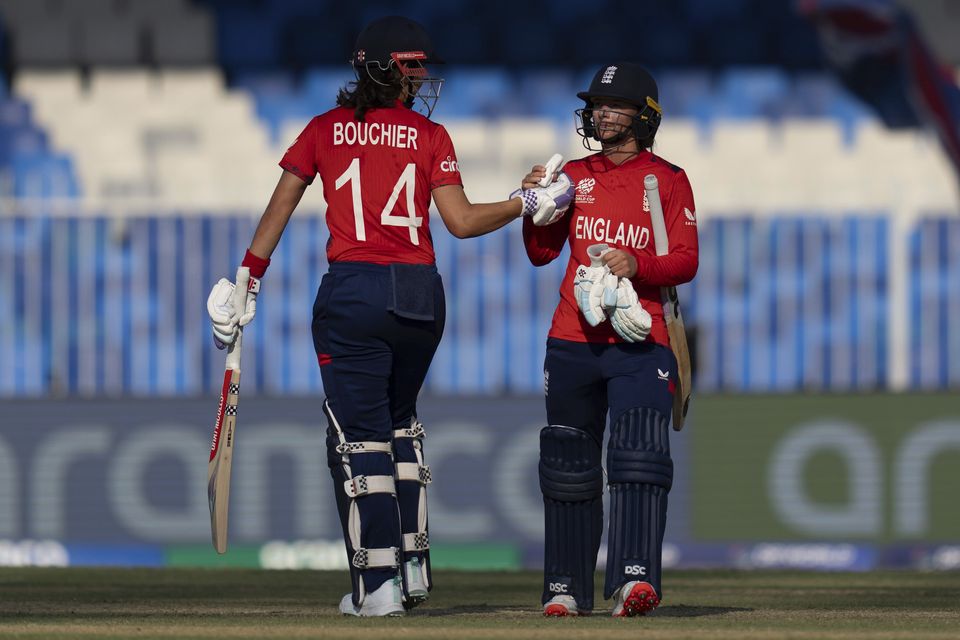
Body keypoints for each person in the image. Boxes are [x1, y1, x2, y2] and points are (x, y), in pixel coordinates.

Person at [206, 16, 573, 618]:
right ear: (382, 69)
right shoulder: (430, 136)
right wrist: (525, 202)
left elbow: (281, 205)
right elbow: (460, 223)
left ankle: (378, 586)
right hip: (422, 295)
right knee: (399, 422)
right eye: (410, 71)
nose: (417, 82)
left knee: (359, 437)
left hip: (354, 289)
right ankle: (411, 565)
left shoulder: (323, 130)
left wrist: (248, 279)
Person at [520, 62, 699, 617]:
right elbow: (541, 252)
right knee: (569, 464)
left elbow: (686, 261)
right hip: (572, 339)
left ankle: (633, 582)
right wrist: (534, 208)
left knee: (638, 457)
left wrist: (636, 262)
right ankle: (564, 588)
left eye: (614, 105)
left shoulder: (668, 179)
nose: (600, 112)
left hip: (641, 341)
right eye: (596, 104)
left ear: (645, 116)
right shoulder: (572, 174)